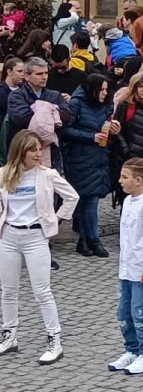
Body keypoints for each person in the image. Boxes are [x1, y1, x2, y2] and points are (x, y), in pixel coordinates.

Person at [0, 131, 78, 363]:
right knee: (8, 290)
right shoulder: (4, 174)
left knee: (42, 291)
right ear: (20, 151)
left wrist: (54, 221)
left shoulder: (47, 175)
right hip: (9, 237)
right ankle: (9, 335)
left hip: (35, 237)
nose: (38, 153)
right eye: (33, 149)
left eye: (39, 149)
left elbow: (72, 197)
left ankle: (54, 340)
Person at [108, 157, 143, 375]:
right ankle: (131, 349)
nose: (120, 181)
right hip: (127, 268)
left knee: (139, 312)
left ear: (139, 180)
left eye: (125, 177)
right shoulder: (129, 202)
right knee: (124, 312)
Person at [61, 73, 114, 258]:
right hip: (81, 158)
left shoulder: (104, 105)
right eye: (102, 90)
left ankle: (84, 240)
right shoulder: (76, 104)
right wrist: (90, 137)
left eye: (107, 90)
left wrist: (114, 129)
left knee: (88, 200)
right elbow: (65, 130)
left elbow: (105, 124)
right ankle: (93, 239)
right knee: (88, 200)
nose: (105, 93)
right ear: (93, 90)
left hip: (98, 157)